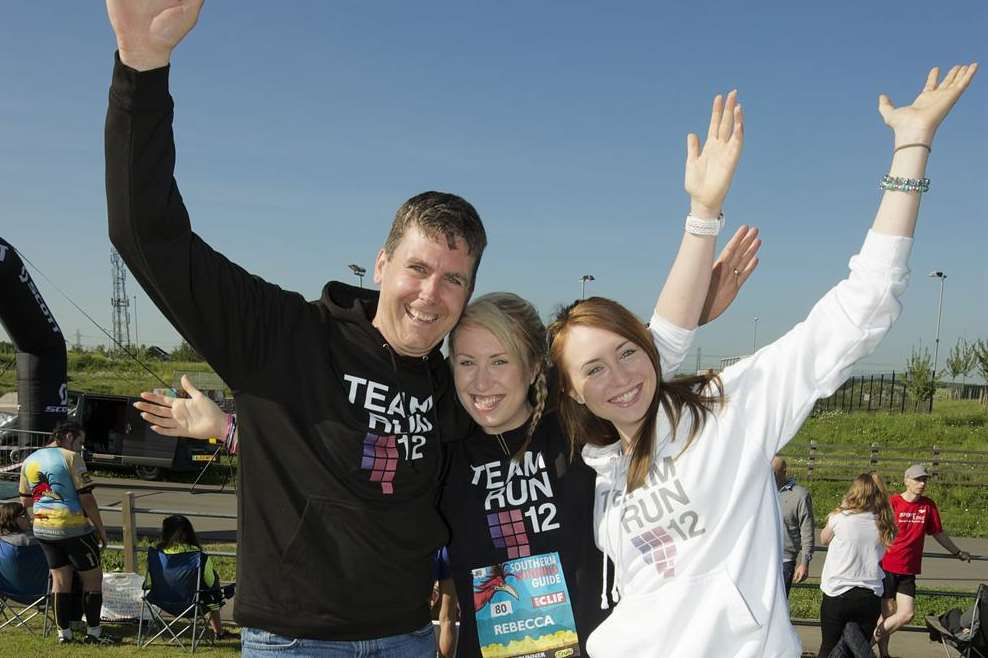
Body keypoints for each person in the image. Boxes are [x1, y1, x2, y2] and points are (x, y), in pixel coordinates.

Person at [547, 63, 979, 657]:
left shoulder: (725, 409)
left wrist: (912, 146)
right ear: (571, 390)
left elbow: (862, 308)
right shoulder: (598, 467)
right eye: (593, 369)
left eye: (627, 352)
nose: (620, 377)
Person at [105, 2, 485, 653]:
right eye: (418, 268)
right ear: (383, 263)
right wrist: (142, 68)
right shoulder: (285, 335)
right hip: (296, 643)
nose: (432, 294)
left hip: (409, 639)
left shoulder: (451, 387)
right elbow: (148, 235)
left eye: (455, 279)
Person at [17, 421, 115, 644]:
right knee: (92, 580)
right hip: (72, 527)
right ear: (69, 436)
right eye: (79, 442)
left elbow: (25, 500)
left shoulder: (30, 460)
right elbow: (87, 498)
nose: (80, 448)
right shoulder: (71, 458)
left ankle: (65, 634)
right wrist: (101, 530)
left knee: (60, 582)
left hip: (42, 527)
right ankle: (94, 633)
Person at [875, 463, 974, 657]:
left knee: (906, 614)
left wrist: (957, 551)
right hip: (886, 566)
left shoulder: (928, 505)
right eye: (918, 479)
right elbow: (876, 529)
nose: (922, 483)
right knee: (887, 615)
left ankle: (863, 645)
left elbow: (938, 532)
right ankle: (883, 654)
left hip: (908, 569)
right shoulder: (892, 502)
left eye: (924, 479)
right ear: (906, 481)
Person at [816, 472, 897, 658]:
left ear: (854, 492)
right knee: (856, 649)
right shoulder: (883, 523)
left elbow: (823, 539)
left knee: (829, 647)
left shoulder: (840, 518)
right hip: (869, 595)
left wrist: (842, 507)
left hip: (838, 592)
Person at [147, 515, 230, 639]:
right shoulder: (199, 557)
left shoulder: (156, 556)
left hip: (161, 601)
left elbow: (148, 583)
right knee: (214, 593)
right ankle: (218, 632)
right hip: (192, 605)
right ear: (189, 533)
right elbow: (211, 582)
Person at [772, 456, 816, 597]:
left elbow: (807, 530)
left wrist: (804, 563)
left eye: (773, 473)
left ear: (784, 471)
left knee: (779, 603)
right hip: (760, 557)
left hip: (785, 560)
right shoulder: (760, 493)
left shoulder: (800, 496)